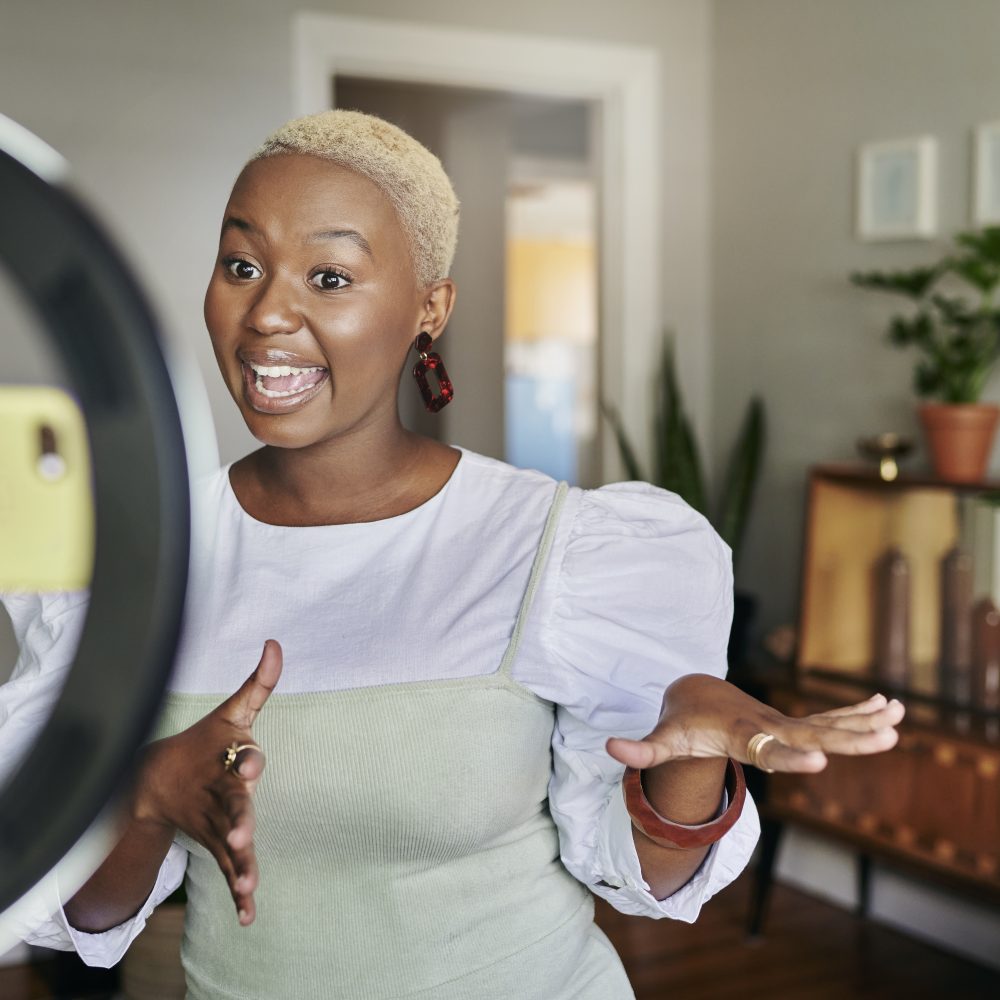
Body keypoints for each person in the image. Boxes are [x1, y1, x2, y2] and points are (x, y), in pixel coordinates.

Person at [0, 110, 905, 999]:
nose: (269, 312)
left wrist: (691, 758)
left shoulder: (558, 547)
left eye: (329, 275)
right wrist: (152, 793)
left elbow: (650, 883)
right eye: (243, 264)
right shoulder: (144, 560)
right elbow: (86, 917)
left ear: (428, 308)